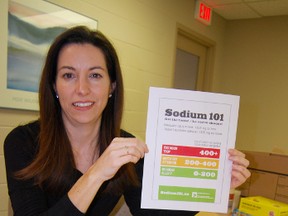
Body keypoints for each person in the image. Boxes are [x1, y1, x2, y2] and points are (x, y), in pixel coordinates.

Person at [4, 26, 250, 216]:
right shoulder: (22, 142)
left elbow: (152, 214)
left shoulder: (126, 147)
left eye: (95, 75)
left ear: (111, 86)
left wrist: (213, 185)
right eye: (68, 75)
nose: (82, 89)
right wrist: (97, 173)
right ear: (54, 86)